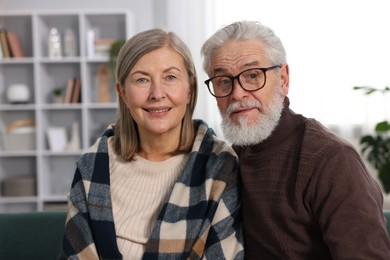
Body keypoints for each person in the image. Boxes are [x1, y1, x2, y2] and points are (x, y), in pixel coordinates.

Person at [201, 20, 390, 259]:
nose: (237, 93)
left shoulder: (331, 160)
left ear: (283, 80)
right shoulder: (228, 160)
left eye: (252, 75)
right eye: (224, 81)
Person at [59, 28, 244, 259]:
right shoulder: (92, 166)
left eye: (170, 77)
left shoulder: (220, 167)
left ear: (190, 89)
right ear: (123, 93)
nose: (157, 93)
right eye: (142, 79)